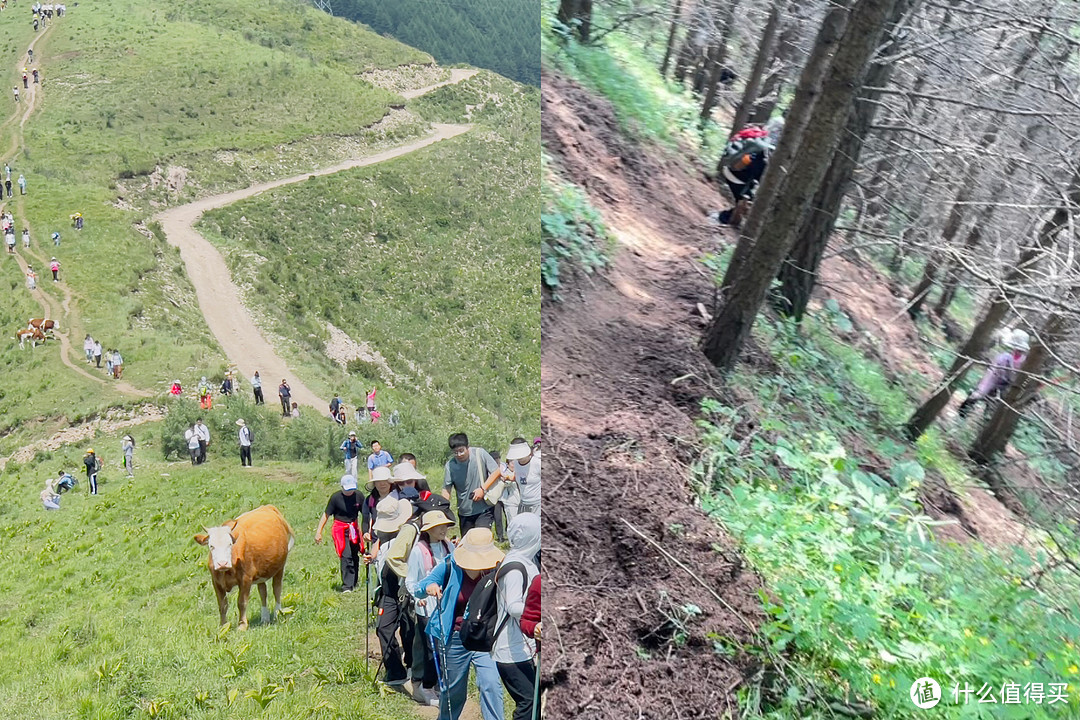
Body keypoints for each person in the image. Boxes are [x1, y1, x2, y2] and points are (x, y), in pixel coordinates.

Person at [416, 528, 506, 720]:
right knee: (453, 692)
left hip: (485, 636)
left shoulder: (497, 569)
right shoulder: (450, 565)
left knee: (490, 684)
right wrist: (430, 587)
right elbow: (420, 588)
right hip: (455, 638)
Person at [493, 514, 541, 720]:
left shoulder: (524, 561)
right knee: (528, 703)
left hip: (522, 645)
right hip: (510, 648)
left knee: (534, 703)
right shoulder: (514, 567)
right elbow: (513, 606)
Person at [405, 510, 455, 706]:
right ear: (429, 529)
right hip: (427, 608)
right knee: (430, 649)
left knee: (445, 648)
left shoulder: (449, 547)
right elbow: (411, 581)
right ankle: (426, 686)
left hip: (446, 607)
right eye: (438, 527)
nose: (443, 529)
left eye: (445, 526)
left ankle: (439, 685)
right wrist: (419, 598)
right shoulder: (418, 551)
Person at [371, 495, 414, 688]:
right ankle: (395, 670)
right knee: (383, 627)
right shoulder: (382, 537)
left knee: (409, 629)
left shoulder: (408, 536)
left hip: (404, 589)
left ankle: (414, 667)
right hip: (387, 591)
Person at [715, 118, 784, 228]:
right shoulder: (764, 153)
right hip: (738, 179)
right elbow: (760, 176)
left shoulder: (758, 141)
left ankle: (727, 218)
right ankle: (723, 219)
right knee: (756, 199)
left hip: (730, 170)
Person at [958, 328, 1031, 418]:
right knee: (977, 396)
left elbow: (1018, 378)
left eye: (1019, 350)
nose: (1017, 351)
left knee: (990, 408)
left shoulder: (1022, 361)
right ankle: (964, 412)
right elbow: (992, 374)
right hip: (994, 381)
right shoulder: (1004, 357)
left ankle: (980, 415)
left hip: (1004, 388)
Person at [442, 433, 500, 535]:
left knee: (482, 540)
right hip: (465, 512)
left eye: (461, 451)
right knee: (468, 545)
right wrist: (442, 509)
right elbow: (447, 489)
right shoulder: (450, 466)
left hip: (484, 509)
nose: (459, 455)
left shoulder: (480, 454)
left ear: (468, 447)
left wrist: (483, 489)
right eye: (455, 452)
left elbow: (497, 472)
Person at [315, 474, 365, 592]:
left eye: (352, 489)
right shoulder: (335, 498)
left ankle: (354, 581)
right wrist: (319, 532)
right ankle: (347, 586)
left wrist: (367, 530)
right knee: (345, 555)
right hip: (340, 529)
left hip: (354, 527)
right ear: (342, 487)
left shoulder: (359, 496)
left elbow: (366, 514)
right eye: (347, 489)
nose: (350, 492)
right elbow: (326, 515)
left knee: (354, 555)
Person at [362, 465, 398, 542]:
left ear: (390, 482)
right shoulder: (370, 500)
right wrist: (365, 532)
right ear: (374, 484)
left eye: (385, 480)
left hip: (396, 537)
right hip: (377, 538)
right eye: (378, 481)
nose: (382, 484)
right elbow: (366, 518)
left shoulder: (398, 497)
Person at [509, 439, 541, 516]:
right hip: (524, 503)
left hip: (537, 504)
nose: (520, 458)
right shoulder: (516, 463)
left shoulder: (537, 463)